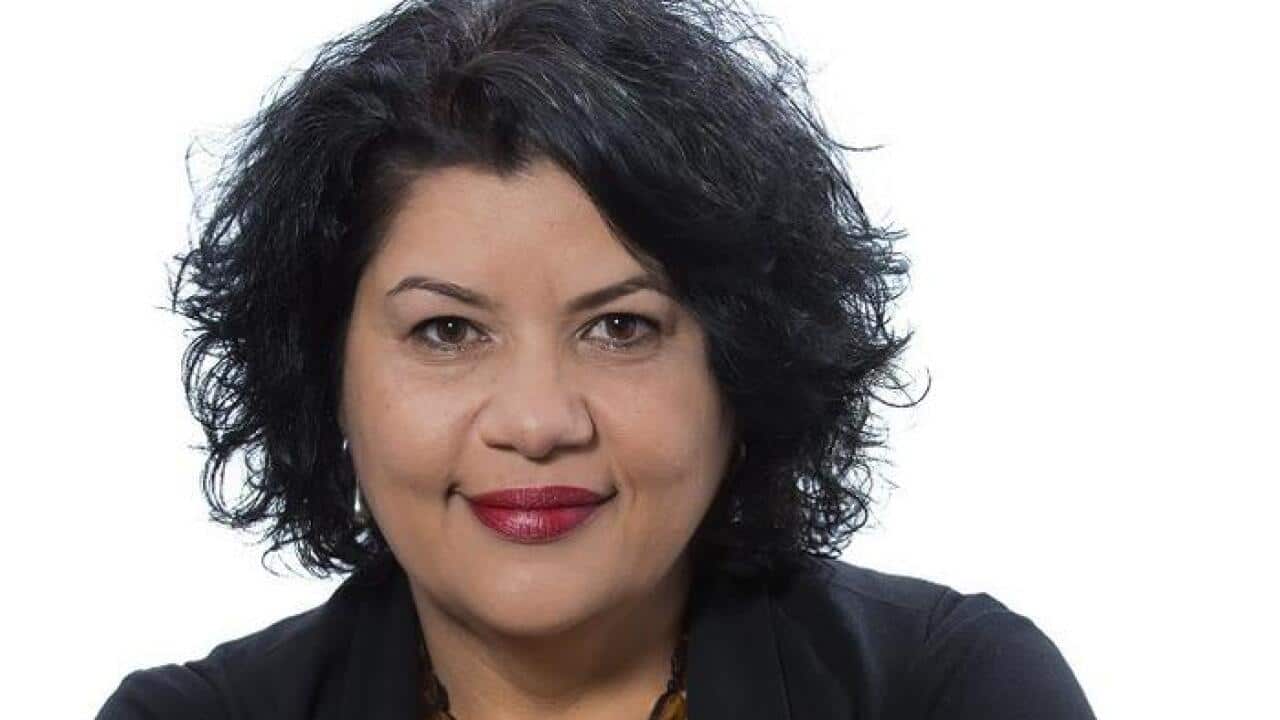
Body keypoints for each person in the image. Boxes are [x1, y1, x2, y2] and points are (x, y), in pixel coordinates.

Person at [97, 0, 1095, 718]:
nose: (537, 422)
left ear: (742, 362)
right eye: (446, 332)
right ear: (327, 376)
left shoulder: (950, 689)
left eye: (620, 328)